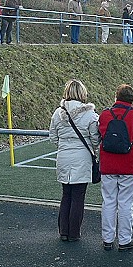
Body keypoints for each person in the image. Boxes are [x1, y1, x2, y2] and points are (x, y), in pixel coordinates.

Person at [98, 84, 133, 251]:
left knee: (108, 201)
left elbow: (99, 132)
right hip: (129, 165)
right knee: (125, 203)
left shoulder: (105, 114)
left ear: (116, 97)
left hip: (107, 164)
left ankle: (107, 239)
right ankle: (124, 240)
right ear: (132, 99)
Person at [49, 79, 100, 241]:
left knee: (66, 195)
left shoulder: (58, 113)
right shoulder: (90, 114)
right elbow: (95, 139)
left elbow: (53, 137)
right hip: (82, 158)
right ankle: (74, 233)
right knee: (78, 196)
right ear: (82, 93)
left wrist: (64, 145)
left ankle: (63, 231)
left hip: (63, 156)